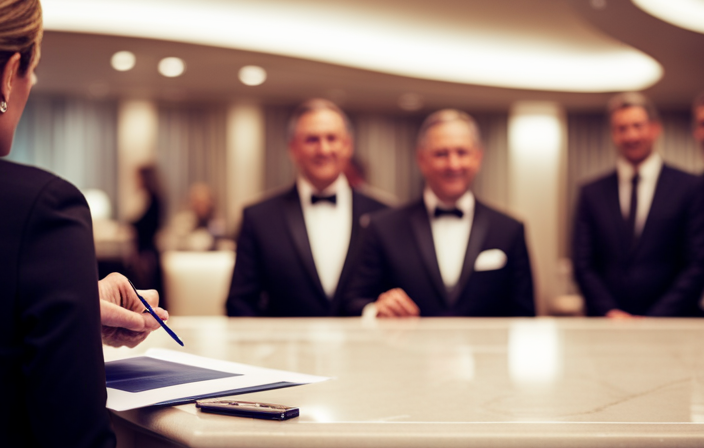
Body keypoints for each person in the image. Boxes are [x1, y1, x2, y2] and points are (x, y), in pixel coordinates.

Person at [0, 2, 167, 447]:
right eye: (32, 69)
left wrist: (66, 308)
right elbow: (75, 435)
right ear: (9, 71)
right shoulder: (44, 207)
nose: (31, 83)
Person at [343, 109, 535, 317]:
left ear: (478, 157)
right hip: (407, 348)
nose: (453, 164)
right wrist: (376, 311)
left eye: (462, 153)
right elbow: (353, 302)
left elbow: (524, 314)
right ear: (421, 159)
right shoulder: (383, 227)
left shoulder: (509, 229)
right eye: (441, 154)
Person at [226, 98, 388, 317]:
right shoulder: (258, 217)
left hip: (364, 347)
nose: (323, 149)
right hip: (285, 349)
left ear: (348, 145)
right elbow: (240, 303)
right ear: (292, 148)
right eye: (312, 140)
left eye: (332, 138)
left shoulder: (384, 214)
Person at [572, 92, 704, 318]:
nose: (630, 135)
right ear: (613, 134)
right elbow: (583, 264)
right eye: (621, 128)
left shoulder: (690, 187)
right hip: (608, 324)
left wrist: (654, 318)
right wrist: (610, 311)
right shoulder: (591, 192)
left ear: (655, 128)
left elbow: (697, 263)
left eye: (637, 125)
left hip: (673, 322)